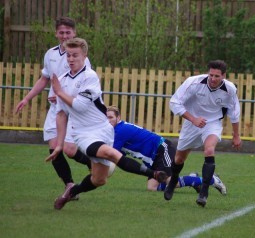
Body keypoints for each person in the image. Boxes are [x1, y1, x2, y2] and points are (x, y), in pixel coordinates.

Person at [46, 38, 167, 210]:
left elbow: (80, 105)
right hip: (83, 134)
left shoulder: (90, 76)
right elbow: (61, 114)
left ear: (84, 56)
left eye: (75, 55)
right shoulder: (62, 81)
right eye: (68, 55)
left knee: (99, 180)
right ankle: (153, 173)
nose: (71, 59)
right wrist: (59, 145)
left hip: (103, 130)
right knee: (110, 153)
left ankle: (71, 192)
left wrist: (58, 92)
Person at [14, 17, 92, 197]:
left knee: (70, 150)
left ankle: (93, 162)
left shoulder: (80, 57)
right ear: (56, 33)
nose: (65, 36)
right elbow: (44, 79)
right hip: (55, 110)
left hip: (71, 110)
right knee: (54, 147)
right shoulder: (50, 54)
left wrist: (64, 96)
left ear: (74, 33)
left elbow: (84, 84)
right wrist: (27, 98)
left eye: (68, 32)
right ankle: (70, 186)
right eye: (61, 32)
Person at [164, 60, 242, 207]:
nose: (212, 79)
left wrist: (236, 135)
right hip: (191, 122)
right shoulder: (193, 83)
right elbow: (174, 102)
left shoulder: (230, 89)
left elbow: (234, 112)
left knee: (209, 150)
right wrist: (193, 119)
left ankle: (204, 193)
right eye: (211, 75)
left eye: (217, 76)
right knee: (179, 159)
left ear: (224, 76)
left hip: (212, 123)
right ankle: (174, 179)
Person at [106, 105, 227, 194]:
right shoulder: (116, 131)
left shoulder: (119, 131)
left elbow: (112, 155)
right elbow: (118, 156)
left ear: (118, 118)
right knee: (152, 187)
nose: (108, 120)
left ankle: (210, 179)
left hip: (162, 149)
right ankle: (192, 178)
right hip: (153, 158)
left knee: (171, 182)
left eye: (111, 117)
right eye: (106, 118)